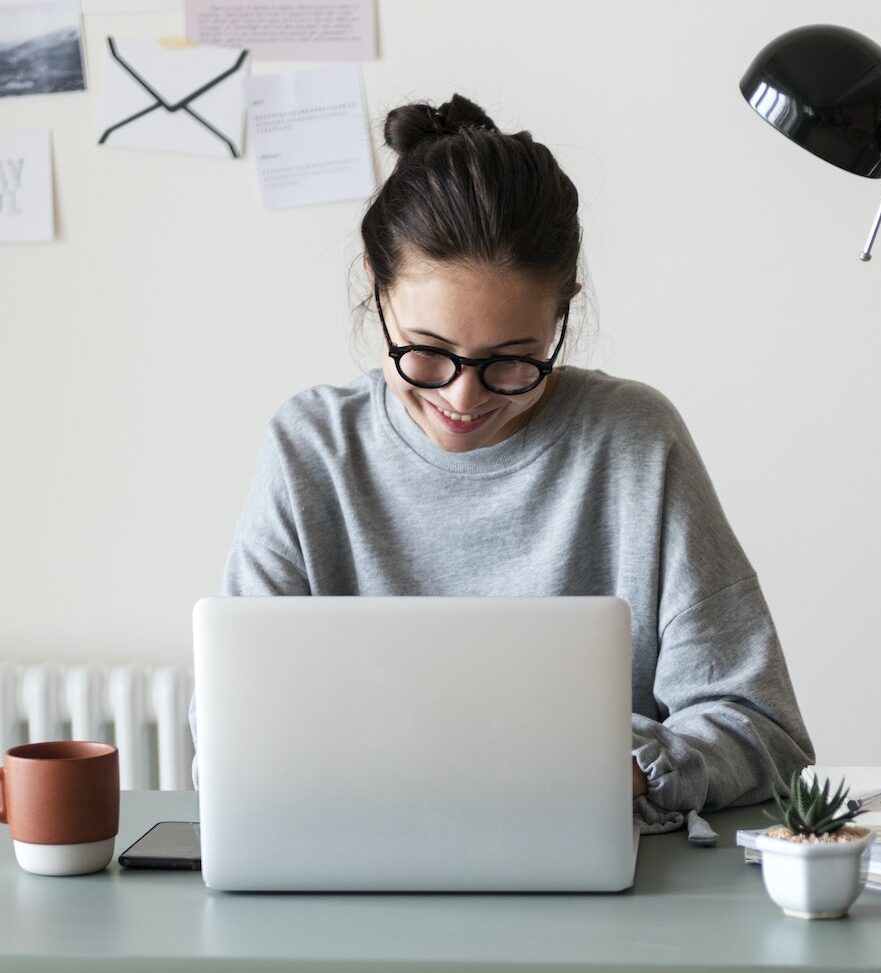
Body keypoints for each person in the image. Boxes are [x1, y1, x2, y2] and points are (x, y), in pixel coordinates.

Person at [189, 94, 815, 823]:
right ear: (375, 287)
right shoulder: (310, 450)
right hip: (351, 864)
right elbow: (233, 728)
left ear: (563, 313)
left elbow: (763, 730)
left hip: (602, 894)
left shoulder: (634, 442)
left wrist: (631, 771)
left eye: (514, 363)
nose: (462, 397)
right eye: (425, 353)